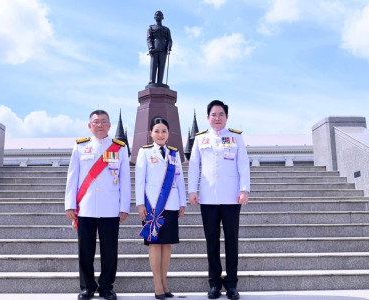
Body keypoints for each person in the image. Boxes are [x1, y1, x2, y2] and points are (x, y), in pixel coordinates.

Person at [65, 110, 131, 300]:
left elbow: (125, 179)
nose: (100, 125)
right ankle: (87, 287)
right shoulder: (80, 146)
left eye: (103, 122)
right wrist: (70, 204)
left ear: (109, 126)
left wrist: (124, 207)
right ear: (89, 125)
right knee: (85, 250)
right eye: (96, 122)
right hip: (85, 207)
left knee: (110, 250)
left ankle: (106, 287)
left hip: (110, 207)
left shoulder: (119, 148)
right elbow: (72, 177)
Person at [188, 100, 250, 300]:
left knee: (232, 241)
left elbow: (243, 165)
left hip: (232, 197)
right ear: (208, 118)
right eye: (213, 115)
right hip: (208, 197)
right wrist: (192, 190)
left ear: (227, 117)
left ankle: (231, 284)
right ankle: (214, 283)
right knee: (211, 242)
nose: (217, 118)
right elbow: (194, 166)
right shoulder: (200, 138)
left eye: (221, 114)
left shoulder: (236, 137)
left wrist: (244, 190)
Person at [135, 116, 186, 299]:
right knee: (155, 244)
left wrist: (182, 202)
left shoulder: (174, 153)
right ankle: (157, 284)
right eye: (156, 131)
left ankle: (165, 282)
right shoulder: (145, 152)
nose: (160, 134)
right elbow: (140, 179)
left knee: (167, 245)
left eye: (164, 131)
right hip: (152, 204)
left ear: (168, 133)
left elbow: (179, 178)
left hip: (171, 204)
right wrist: (140, 203)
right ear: (151, 133)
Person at [147, 11, 172, 86]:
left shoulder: (166, 29)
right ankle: (152, 81)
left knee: (161, 66)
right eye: (157, 15)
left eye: (160, 15)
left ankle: (160, 82)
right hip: (154, 49)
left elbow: (169, 40)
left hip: (163, 49)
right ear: (154, 17)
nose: (158, 16)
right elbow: (149, 39)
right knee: (153, 65)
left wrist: (168, 47)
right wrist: (151, 47)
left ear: (162, 17)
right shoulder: (151, 28)